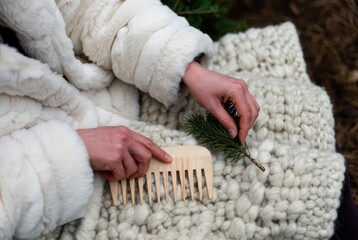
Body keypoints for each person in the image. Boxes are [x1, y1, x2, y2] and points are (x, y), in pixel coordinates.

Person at [0, 0, 259, 238]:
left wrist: (178, 61)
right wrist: (67, 153)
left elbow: (84, 7)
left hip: (108, 94)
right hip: (51, 197)